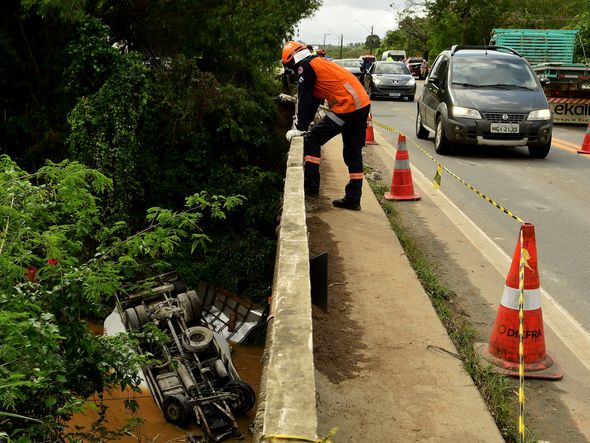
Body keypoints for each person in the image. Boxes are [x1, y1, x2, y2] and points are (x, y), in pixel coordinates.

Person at [282, 41, 371, 211]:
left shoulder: (305, 66)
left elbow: (305, 98)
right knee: (353, 153)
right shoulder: (317, 62)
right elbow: (314, 100)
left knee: (312, 140)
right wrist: (304, 123)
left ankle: (311, 191)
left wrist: (300, 128)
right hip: (362, 105)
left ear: (291, 60)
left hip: (347, 106)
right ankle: (353, 198)